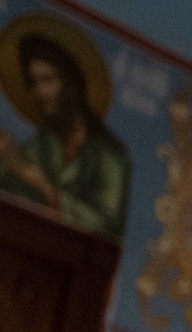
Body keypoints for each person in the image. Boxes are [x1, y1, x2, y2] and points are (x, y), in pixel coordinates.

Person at [0, 28, 129, 235]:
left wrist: (46, 188)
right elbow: (16, 189)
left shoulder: (110, 153)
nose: (40, 92)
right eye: (34, 82)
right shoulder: (45, 141)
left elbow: (108, 227)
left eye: (47, 80)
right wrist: (9, 159)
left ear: (70, 83)